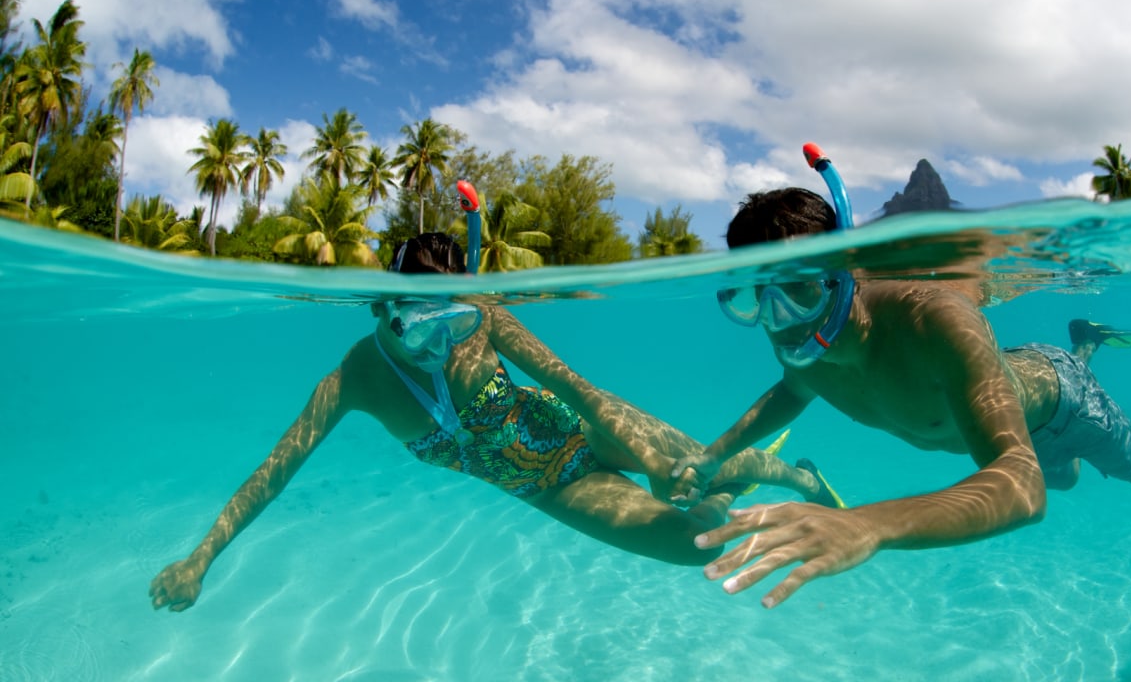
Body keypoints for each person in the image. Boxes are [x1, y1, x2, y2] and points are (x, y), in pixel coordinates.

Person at [150, 225, 842, 612]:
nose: (440, 342)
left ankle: (797, 474)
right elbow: (273, 472)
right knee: (695, 542)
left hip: (588, 430)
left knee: (713, 464)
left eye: (449, 320)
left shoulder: (483, 316)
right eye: (418, 324)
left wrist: (655, 459)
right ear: (381, 307)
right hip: (551, 487)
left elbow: (580, 388)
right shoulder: (354, 380)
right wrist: (200, 558)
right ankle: (725, 494)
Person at [671, 145, 1131, 609]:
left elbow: (1021, 486)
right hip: (1007, 403)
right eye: (751, 298)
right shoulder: (804, 347)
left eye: (796, 287)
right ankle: (1087, 340)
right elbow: (794, 390)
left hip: (1063, 401)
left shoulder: (933, 318)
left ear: (841, 276)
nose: (778, 321)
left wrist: (869, 526)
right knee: (1068, 477)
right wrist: (713, 455)